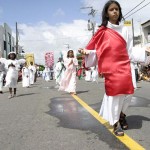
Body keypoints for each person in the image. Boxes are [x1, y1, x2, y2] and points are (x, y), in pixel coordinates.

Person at [78, 0, 145, 136]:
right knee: (115, 96)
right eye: (111, 9)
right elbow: (97, 51)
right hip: (111, 68)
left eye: (117, 9)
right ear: (106, 14)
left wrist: (145, 53)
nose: (115, 11)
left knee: (129, 93)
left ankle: (121, 114)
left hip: (126, 66)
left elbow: (130, 51)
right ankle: (115, 123)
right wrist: (88, 52)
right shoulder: (102, 31)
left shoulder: (125, 30)